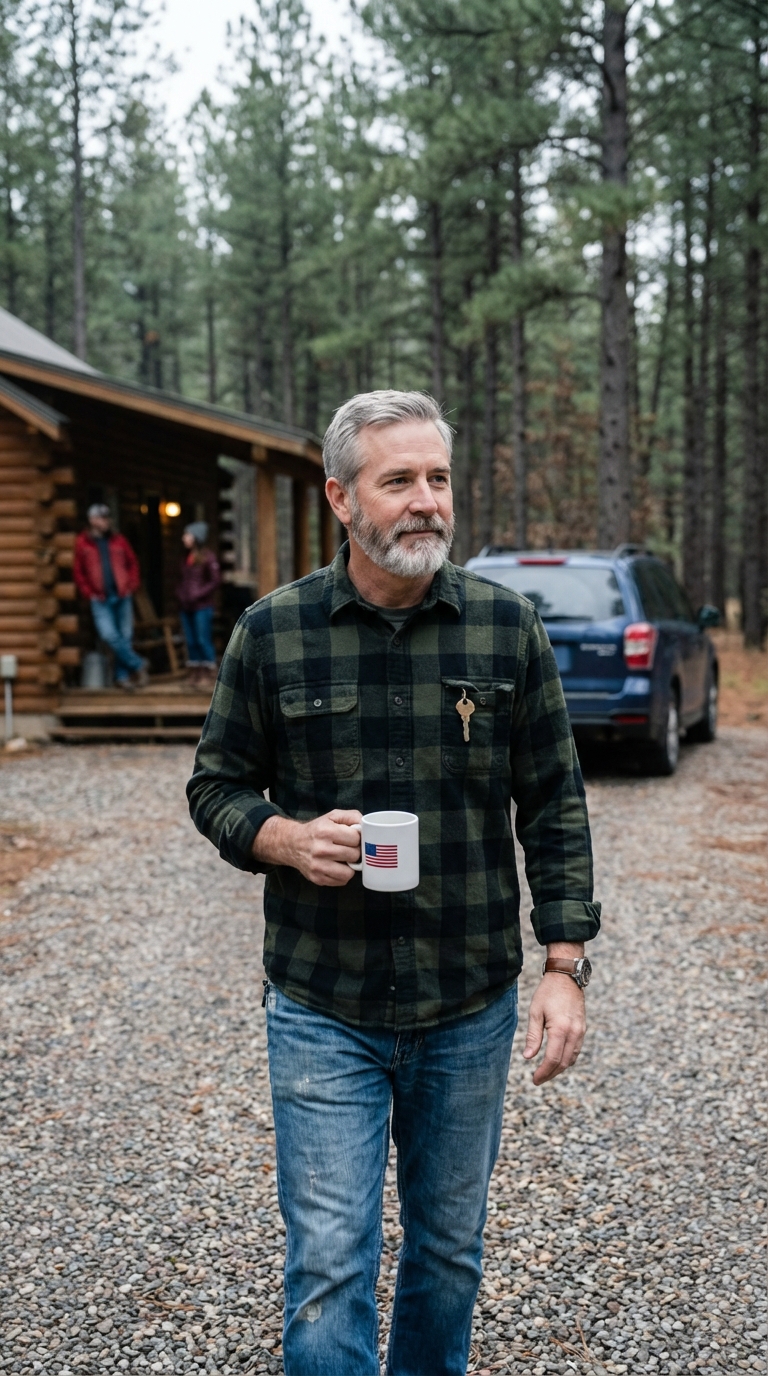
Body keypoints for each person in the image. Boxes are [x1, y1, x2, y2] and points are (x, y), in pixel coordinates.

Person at [187, 391, 601, 1376]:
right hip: (321, 1002)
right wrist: (282, 837)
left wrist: (565, 963)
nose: (427, 501)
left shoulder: (507, 628)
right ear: (340, 495)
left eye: (439, 478)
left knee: (448, 1256)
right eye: (399, 479)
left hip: (466, 1004)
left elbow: (554, 802)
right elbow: (215, 783)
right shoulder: (273, 631)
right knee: (329, 1267)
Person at [73, 504, 148, 688]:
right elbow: (78, 572)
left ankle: (122, 677)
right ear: (92, 520)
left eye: (107, 517)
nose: (106, 521)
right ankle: (138, 664)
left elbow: (132, 563)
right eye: (101, 518)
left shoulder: (119, 540)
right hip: (100, 598)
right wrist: (88, 592)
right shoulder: (83, 543)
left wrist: (132, 585)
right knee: (108, 635)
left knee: (125, 636)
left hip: (122, 594)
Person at [176, 521, 221, 689]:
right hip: (186, 606)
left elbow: (215, 580)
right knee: (191, 640)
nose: (184, 538)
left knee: (203, 639)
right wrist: (180, 594)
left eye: (187, 535)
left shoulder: (208, 557)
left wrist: (198, 594)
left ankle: (210, 673)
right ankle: (195, 673)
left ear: (196, 537)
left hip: (202, 606)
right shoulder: (185, 557)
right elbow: (182, 581)